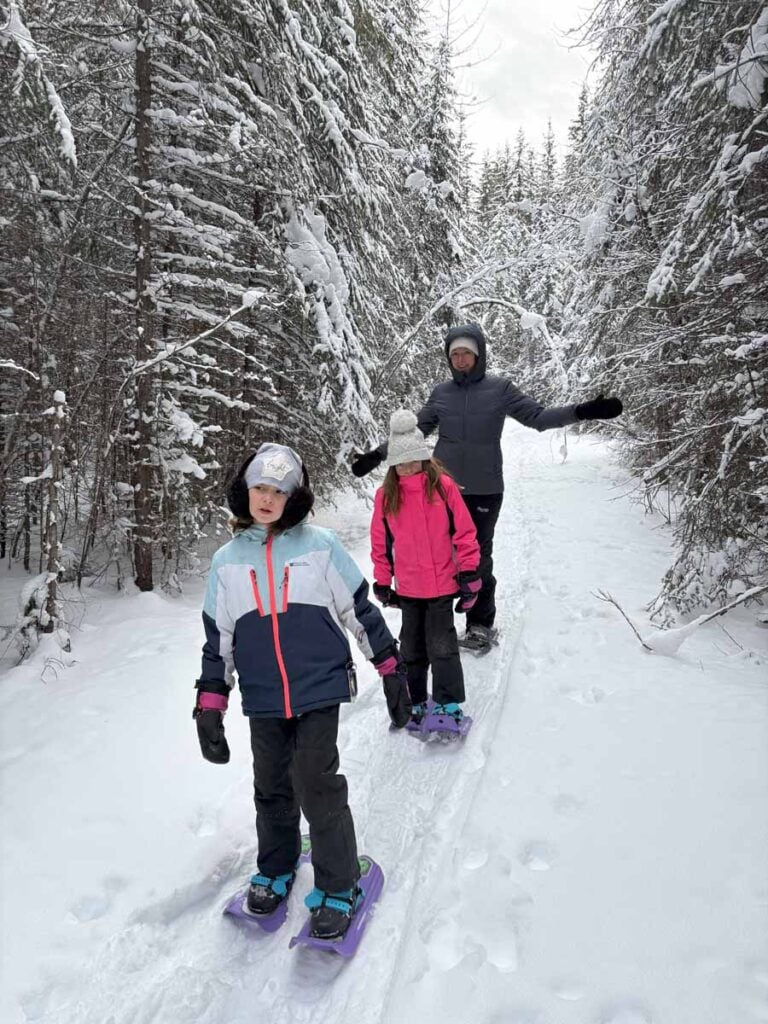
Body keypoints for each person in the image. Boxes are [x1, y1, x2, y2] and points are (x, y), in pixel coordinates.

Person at [193, 442, 411, 941]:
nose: (267, 499)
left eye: (278, 491)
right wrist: (210, 704)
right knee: (270, 786)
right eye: (259, 489)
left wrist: (390, 666)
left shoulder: (319, 546)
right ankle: (277, 864)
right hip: (264, 697)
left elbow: (360, 610)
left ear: (294, 498)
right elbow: (217, 639)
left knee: (316, 783)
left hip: (318, 688)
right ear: (244, 492)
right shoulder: (227, 561)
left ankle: (340, 883)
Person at [353, 323, 623, 653]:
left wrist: (582, 411)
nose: (461, 359)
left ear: (478, 355)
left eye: (467, 352)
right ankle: (438, 621)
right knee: (439, 554)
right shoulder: (441, 394)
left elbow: (538, 417)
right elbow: (411, 435)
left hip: (485, 489)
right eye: (455, 354)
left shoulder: (500, 389)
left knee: (478, 556)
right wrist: (375, 457)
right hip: (439, 490)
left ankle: (480, 623)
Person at [370, 410, 481, 724]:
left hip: (443, 585)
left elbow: (465, 532)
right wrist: (382, 580)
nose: (407, 467)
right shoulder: (385, 496)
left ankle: (447, 704)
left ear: (423, 458)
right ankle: (415, 699)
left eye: (413, 460)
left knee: (442, 646)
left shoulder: (442, 487)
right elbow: (380, 543)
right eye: (400, 462)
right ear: (392, 465)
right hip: (409, 589)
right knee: (411, 648)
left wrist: (470, 572)